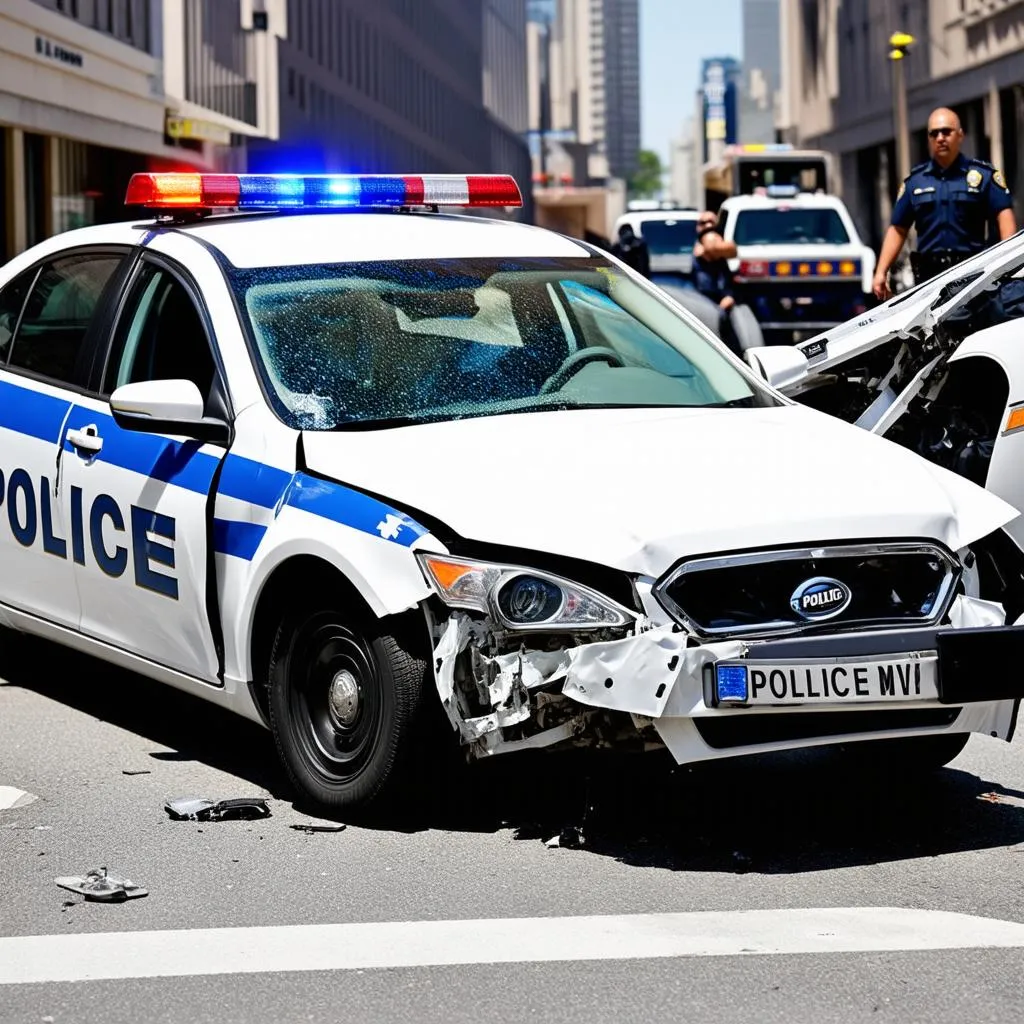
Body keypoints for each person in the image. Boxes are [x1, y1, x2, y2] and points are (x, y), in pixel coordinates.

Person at [873, 107, 1017, 299]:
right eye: (934, 133)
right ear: (929, 140)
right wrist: (881, 271)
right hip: (928, 279)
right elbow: (898, 229)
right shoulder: (915, 182)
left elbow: (1004, 217)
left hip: (973, 273)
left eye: (946, 131)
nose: (940, 138)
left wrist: (1009, 262)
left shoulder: (982, 176)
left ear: (960, 135)